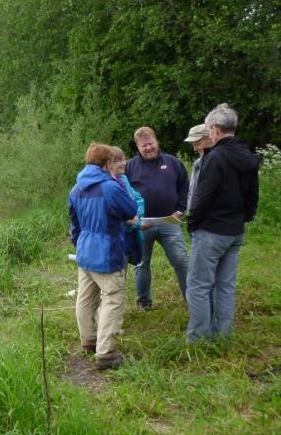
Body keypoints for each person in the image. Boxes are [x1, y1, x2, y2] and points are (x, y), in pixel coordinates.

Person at [186, 104, 260, 342]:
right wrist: (243, 219)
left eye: (209, 130)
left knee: (198, 286)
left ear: (215, 130)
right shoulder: (247, 156)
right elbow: (252, 196)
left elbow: (201, 197)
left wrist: (192, 222)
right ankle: (223, 335)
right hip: (235, 231)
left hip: (211, 231)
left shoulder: (215, 157)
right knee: (225, 286)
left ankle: (199, 338)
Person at [69, 143, 138, 370]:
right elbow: (130, 209)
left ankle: (89, 340)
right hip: (107, 251)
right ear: (108, 163)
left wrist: (79, 244)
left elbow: (74, 224)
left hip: (85, 250)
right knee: (112, 297)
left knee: (86, 297)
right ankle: (106, 354)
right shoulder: (110, 187)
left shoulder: (76, 188)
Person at [125, 127, 190, 309]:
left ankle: (192, 299)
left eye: (151, 143)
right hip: (142, 224)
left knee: (181, 260)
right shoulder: (129, 167)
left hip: (170, 222)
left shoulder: (173, 163)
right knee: (141, 263)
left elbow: (184, 188)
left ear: (157, 142)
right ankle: (144, 301)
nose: (148, 148)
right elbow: (123, 193)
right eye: (144, 145)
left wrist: (180, 210)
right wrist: (133, 218)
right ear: (138, 147)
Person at [109, 146, 145, 265]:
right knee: (116, 275)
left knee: (121, 274)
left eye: (124, 159)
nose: (123, 163)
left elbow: (138, 199)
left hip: (129, 234)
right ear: (108, 163)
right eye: (118, 160)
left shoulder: (123, 179)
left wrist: (135, 217)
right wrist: (127, 218)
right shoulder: (106, 184)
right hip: (115, 236)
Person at [184, 123, 213, 208]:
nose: (195, 149)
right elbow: (191, 192)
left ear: (210, 138)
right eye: (193, 145)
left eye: (197, 143)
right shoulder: (198, 163)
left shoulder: (222, 162)